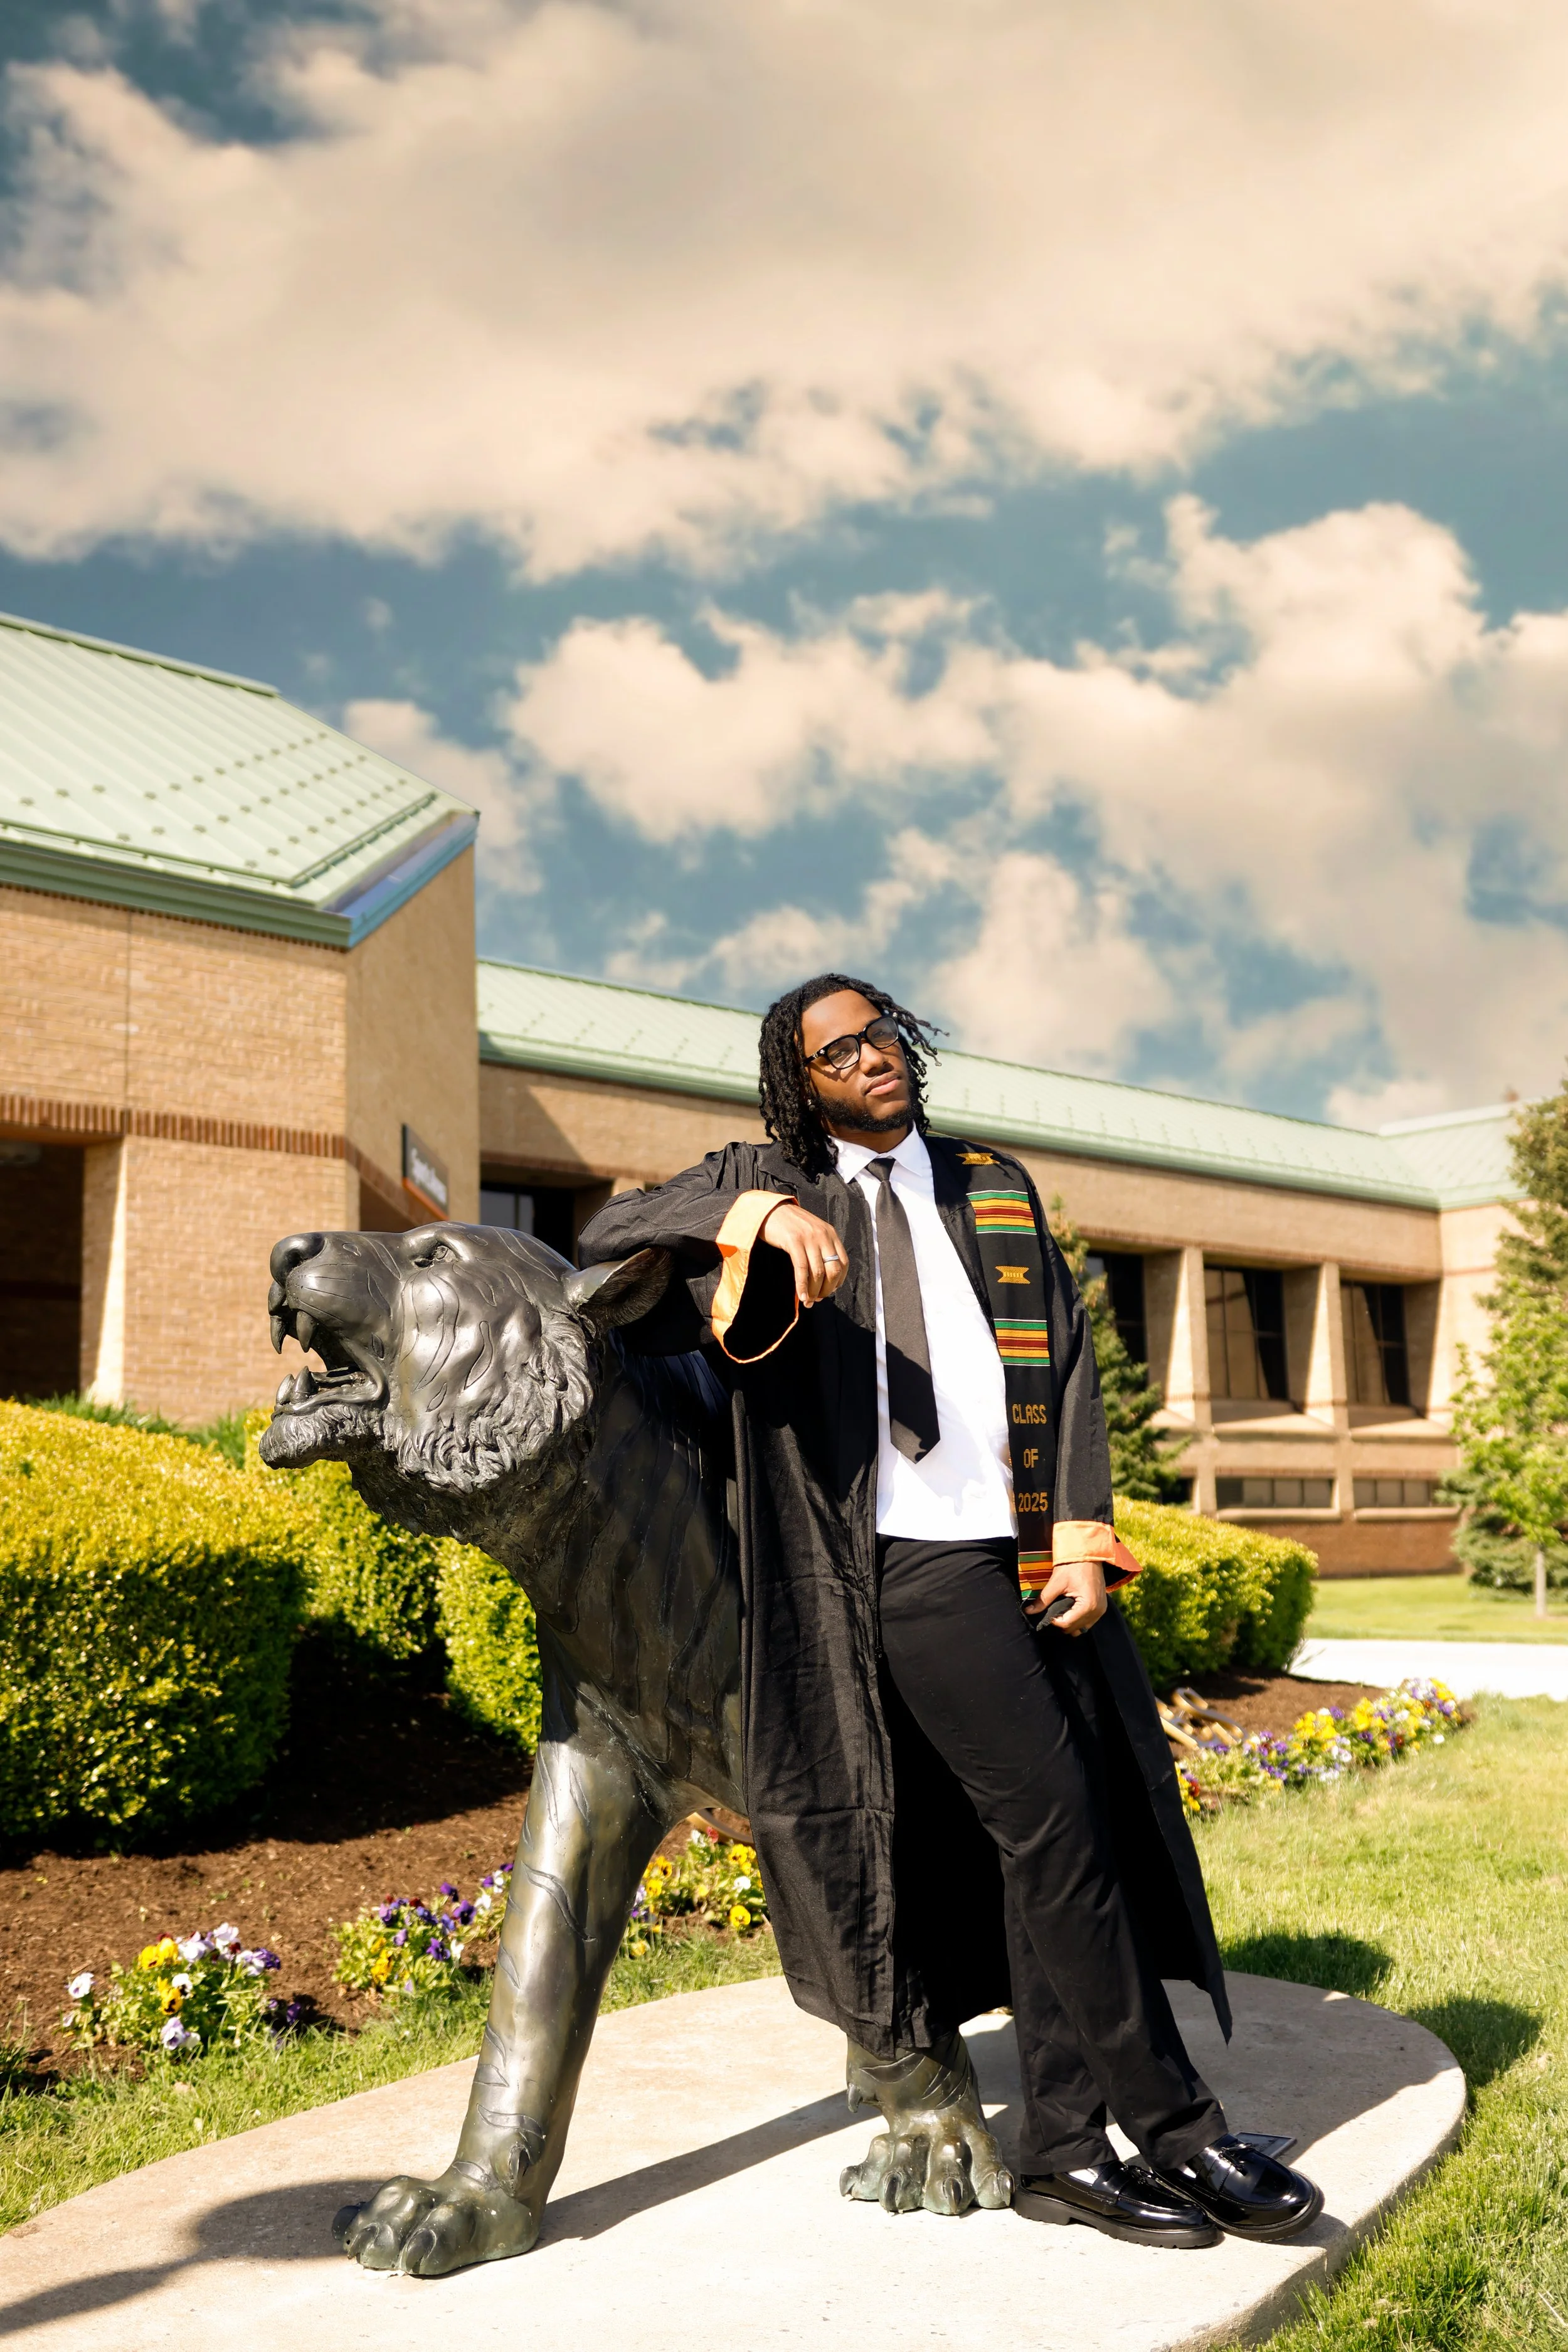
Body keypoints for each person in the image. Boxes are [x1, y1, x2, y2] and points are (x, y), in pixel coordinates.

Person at [578, 973, 1321, 2250]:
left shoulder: (988, 1182)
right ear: (797, 1081)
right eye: (835, 1051)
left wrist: (1080, 1533)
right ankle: (1180, 2129)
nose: (869, 1058)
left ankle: (1062, 2153)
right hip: (901, 1563)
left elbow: (1071, 1359)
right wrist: (752, 1208)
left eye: (880, 1036)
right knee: (1058, 1826)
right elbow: (610, 1232)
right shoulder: (776, 1180)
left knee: (1047, 1844)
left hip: (1022, 1548)